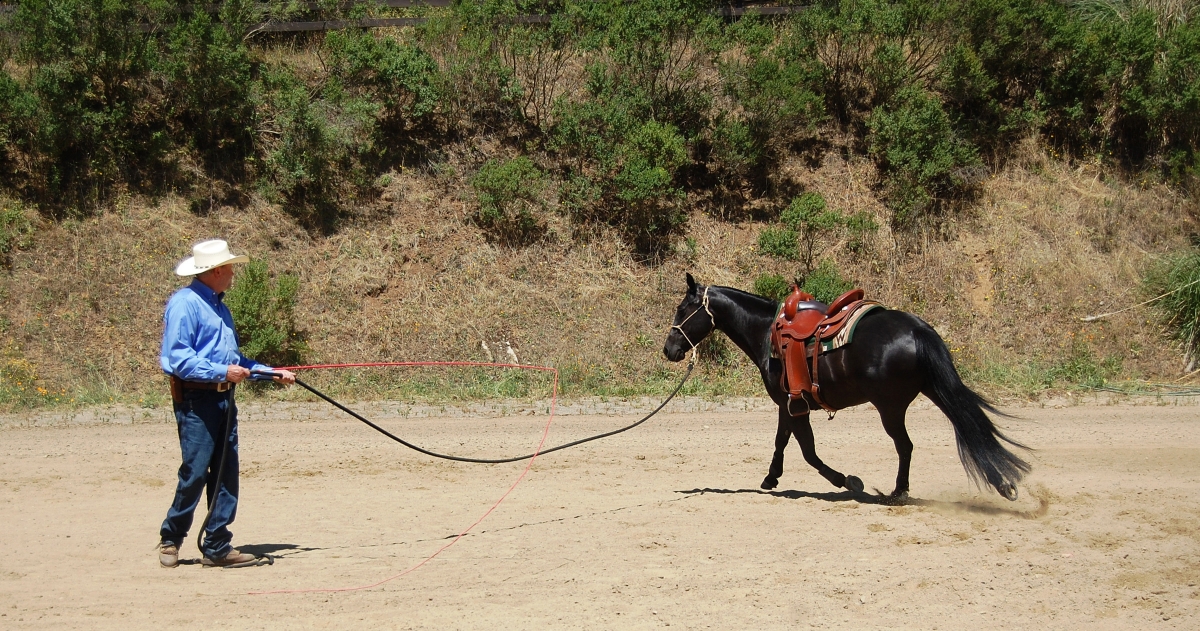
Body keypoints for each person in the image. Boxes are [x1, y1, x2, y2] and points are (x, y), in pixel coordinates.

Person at [157, 239, 296, 568]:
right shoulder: (185, 304)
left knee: (225, 472)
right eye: (230, 268)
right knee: (195, 472)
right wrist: (223, 372)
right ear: (216, 271)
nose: (234, 273)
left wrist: (270, 373)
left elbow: (237, 361)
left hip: (223, 399)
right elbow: (179, 360)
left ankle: (217, 545)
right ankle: (171, 538)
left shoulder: (220, 308)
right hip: (197, 400)